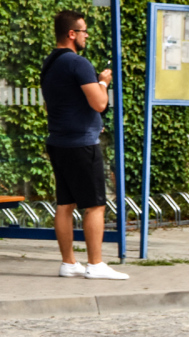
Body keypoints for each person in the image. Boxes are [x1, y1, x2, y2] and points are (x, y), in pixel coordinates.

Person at [41, 9, 128, 280]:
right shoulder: (78, 63)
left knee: (65, 204)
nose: (86, 35)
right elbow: (100, 103)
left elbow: (55, 104)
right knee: (95, 205)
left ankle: (69, 263)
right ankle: (95, 264)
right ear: (71, 34)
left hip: (58, 141)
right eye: (83, 31)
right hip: (81, 144)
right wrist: (103, 82)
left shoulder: (50, 63)